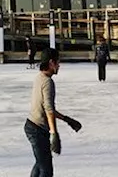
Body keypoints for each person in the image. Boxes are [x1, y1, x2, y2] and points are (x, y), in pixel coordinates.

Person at [24, 48, 81, 177]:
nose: (59, 65)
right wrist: (54, 134)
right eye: (58, 62)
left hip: (33, 126)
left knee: (40, 164)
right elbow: (48, 109)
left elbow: (49, 108)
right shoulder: (47, 82)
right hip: (37, 130)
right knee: (46, 171)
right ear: (51, 63)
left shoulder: (40, 77)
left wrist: (67, 119)